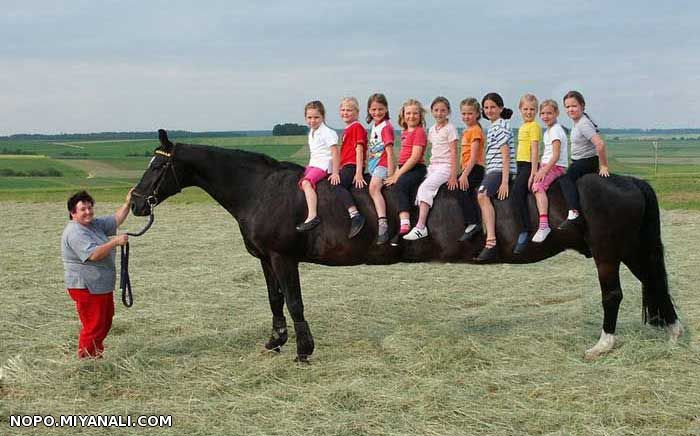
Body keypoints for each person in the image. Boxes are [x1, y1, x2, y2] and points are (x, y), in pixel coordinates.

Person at [61, 189, 132, 358]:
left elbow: (115, 220)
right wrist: (115, 242)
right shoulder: (75, 232)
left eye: (89, 207)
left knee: (105, 321)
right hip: (86, 286)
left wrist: (128, 202)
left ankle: (95, 354)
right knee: (94, 325)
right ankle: (85, 359)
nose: (88, 212)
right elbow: (93, 255)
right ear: (73, 213)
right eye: (83, 209)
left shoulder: (92, 224)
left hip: (99, 285)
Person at [403, 96, 458, 240]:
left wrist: (453, 175)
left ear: (448, 112)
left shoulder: (450, 129)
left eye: (443, 110)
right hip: (433, 166)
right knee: (415, 186)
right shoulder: (432, 129)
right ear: (432, 111)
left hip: (445, 167)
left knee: (425, 188)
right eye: (436, 110)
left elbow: (453, 152)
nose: (439, 113)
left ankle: (421, 227)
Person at [557, 90, 610, 230]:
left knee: (565, 179)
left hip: (585, 162)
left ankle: (574, 212)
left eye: (574, 106)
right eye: (567, 107)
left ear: (582, 106)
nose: (570, 109)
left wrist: (603, 166)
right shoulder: (578, 122)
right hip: (580, 161)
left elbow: (600, 144)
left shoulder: (583, 124)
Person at [475, 92, 516, 262]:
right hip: (493, 170)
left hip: (499, 170)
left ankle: (491, 241)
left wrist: (505, 181)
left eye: (493, 107)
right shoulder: (495, 125)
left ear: (500, 108)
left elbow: (505, 155)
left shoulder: (500, 126)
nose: (489, 110)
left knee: (482, 195)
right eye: (486, 107)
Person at [384, 99, 428, 246]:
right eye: (408, 113)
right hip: (405, 167)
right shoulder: (404, 132)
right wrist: (395, 172)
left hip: (416, 168)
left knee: (401, 184)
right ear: (403, 115)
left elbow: (415, 157)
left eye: (415, 113)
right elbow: (403, 157)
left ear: (420, 116)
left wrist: (398, 175)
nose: (411, 116)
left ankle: (405, 223)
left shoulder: (419, 132)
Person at [296, 100, 339, 232]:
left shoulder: (327, 132)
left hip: (324, 165)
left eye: (316, 117)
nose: (312, 121)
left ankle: (313, 216)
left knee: (306, 183)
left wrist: (335, 172)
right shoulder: (312, 132)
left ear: (323, 117)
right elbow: (315, 152)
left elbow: (335, 152)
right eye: (309, 117)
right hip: (314, 164)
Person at [531, 99, 568, 242]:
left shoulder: (556, 130)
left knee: (538, 186)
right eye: (543, 113)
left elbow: (556, 154)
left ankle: (544, 225)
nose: (546, 116)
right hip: (547, 164)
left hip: (555, 166)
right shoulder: (548, 131)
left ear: (557, 113)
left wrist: (544, 171)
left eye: (549, 113)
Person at [330, 97, 367, 238]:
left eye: (349, 110)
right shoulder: (348, 129)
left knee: (337, 185)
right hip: (346, 165)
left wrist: (358, 173)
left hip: (352, 165)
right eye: (343, 110)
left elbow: (359, 150)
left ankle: (355, 215)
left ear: (357, 112)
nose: (345, 112)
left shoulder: (357, 127)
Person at [511, 93, 542, 254]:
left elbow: (535, 149)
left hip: (530, 165)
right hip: (521, 164)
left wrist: (533, 172)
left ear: (536, 111)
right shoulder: (523, 127)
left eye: (532, 109)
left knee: (517, 194)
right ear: (520, 110)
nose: (528, 112)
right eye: (525, 109)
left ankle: (524, 230)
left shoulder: (534, 127)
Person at [365, 93, 395, 244]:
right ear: (369, 110)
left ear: (386, 109)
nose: (377, 113)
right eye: (374, 109)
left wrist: (391, 174)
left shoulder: (386, 127)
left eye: (380, 109)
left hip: (383, 164)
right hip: (373, 165)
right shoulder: (374, 126)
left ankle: (383, 223)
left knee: (374, 188)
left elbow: (389, 152)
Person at [457, 97, 486, 242]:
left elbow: (474, 157)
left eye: (469, 113)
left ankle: (473, 222)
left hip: (475, 168)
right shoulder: (467, 130)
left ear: (477, 114)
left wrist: (464, 175)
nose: (466, 116)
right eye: (464, 114)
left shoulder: (475, 131)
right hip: (468, 168)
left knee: (462, 188)